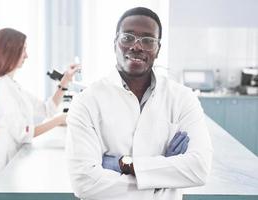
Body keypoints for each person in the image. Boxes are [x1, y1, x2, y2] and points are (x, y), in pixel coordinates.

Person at [66, 7, 213, 200]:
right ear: (115, 43)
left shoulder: (183, 98)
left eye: (148, 40)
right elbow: (84, 182)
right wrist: (164, 175)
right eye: (127, 37)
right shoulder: (86, 101)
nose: (137, 46)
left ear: (158, 49)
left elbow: (199, 169)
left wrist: (123, 164)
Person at [0, 28, 80, 191]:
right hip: (4, 156)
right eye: (23, 49)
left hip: (13, 152)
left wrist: (65, 80)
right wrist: (60, 120)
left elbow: (47, 109)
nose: (26, 55)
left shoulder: (12, 85)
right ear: (10, 50)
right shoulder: (3, 86)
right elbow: (24, 132)